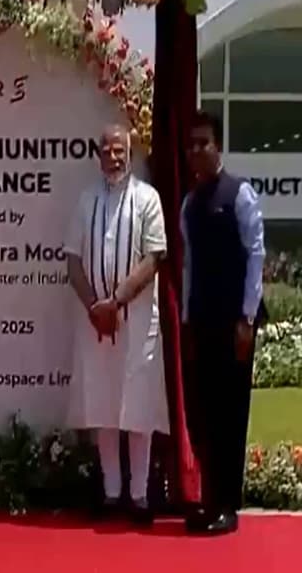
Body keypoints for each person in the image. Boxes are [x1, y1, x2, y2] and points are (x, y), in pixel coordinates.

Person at [64, 124, 169, 526]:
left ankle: (139, 495)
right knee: (103, 404)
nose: (113, 157)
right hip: (95, 321)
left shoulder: (147, 198)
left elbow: (153, 257)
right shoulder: (86, 199)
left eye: (119, 150)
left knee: (137, 406)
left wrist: (117, 301)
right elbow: (72, 260)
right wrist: (96, 307)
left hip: (137, 319)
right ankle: (111, 493)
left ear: (130, 152)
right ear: (98, 156)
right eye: (106, 150)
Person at [180, 111, 266, 536]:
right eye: (192, 144)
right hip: (201, 320)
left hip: (234, 324)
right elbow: (190, 266)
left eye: (204, 143)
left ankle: (228, 505)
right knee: (203, 415)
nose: (197, 150)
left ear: (218, 146)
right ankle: (210, 499)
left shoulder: (240, 194)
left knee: (230, 414)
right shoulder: (190, 203)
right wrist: (185, 319)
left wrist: (247, 317)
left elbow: (256, 255)